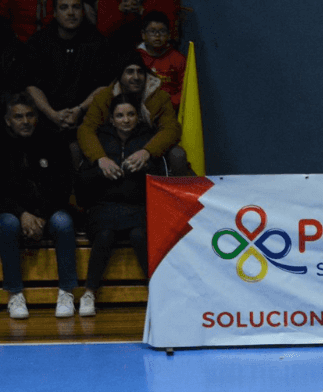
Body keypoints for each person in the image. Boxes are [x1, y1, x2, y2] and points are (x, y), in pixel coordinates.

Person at [75, 94, 164, 316]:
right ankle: (89, 293)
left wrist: (145, 168)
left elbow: (163, 180)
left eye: (131, 114)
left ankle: (158, 290)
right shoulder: (99, 141)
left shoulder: (149, 140)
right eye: (120, 115)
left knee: (138, 235)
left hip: (138, 207)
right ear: (112, 120)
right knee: (105, 235)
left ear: (138, 117)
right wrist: (101, 169)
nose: (126, 120)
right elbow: (82, 182)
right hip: (103, 207)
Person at [1, 92, 78, 319]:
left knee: (63, 222)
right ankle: (15, 294)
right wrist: (22, 213)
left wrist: (41, 216)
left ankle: (66, 292)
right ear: (8, 120)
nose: (25, 121)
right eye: (18, 117)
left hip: (49, 210)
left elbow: (63, 187)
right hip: (13, 212)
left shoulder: (53, 140)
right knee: (7, 224)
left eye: (29, 115)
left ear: (36, 117)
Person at [76, 49, 190, 177]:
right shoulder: (105, 97)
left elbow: (171, 129)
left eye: (140, 72)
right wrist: (100, 157)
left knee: (178, 154)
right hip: (112, 145)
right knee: (74, 148)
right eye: (130, 72)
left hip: (148, 145)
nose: (136, 77)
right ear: (120, 75)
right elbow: (86, 129)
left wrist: (147, 151)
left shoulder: (159, 97)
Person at [24, 0, 113, 139]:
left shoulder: (98, 42)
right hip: (46, 119)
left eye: (76, 7)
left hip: (87, 117)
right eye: (64, 7)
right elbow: (31, 84)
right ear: (54, 13)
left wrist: (79, 110)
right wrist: (52, 114)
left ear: (83, 11)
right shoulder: (38, 42)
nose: (71, 13)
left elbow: (104, 85)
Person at [136, 11, 184, 110]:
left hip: (168, 109)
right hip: (139, 107)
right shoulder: (135, 56)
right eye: (152, 31)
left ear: (169, 35)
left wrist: (167, 104)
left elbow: (185, 90)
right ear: (143, 34)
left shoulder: (178, 59)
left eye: (162, 31)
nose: (157, 36)